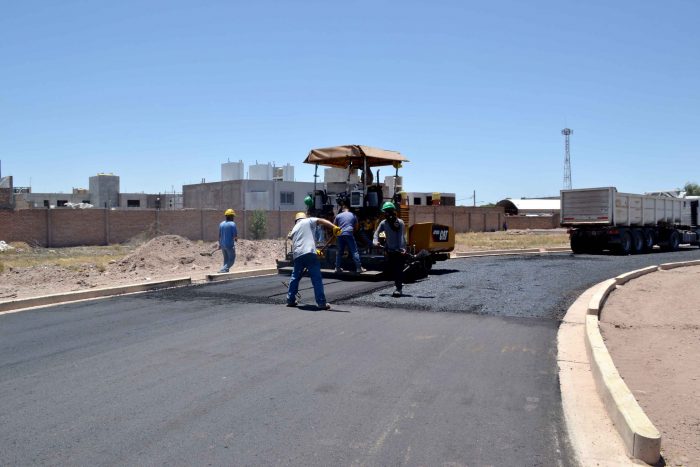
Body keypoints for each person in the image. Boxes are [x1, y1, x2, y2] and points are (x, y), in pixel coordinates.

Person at [286, 212, 340, 310]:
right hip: (310, 254)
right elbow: (321, 220)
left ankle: (290, 300)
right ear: (304, 218)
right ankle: (321, 303)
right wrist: (334, 227)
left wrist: (316, 251)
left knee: (295, 277)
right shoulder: (308, 221)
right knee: (316, 279)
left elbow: (301, 241)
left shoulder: (294, 229)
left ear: (296, 221)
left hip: (297, 255)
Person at [373, 201, 406, 297]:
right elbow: (377, 233)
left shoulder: (399, 222)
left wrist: (402, 248)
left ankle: (398, 288)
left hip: (398, 251)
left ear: (392, 212)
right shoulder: (384, 223)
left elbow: (401, 237)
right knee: (390, 270)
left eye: (386, 212)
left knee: (398, 270)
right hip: (389, 250)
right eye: (384, 212)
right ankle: (398, 283)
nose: (385, 214)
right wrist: (375, 241)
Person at [333, 200, 366, 274]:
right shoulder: (353, 215)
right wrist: (352, 232)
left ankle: (337, 268)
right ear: (349, 208)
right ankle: (358, 268)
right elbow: (357, 227)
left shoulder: (338, 216)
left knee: (339, 252)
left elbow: (334, 226)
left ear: (343, 208)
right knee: (354, 251)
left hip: (340, 234)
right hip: (349, 233)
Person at [217, 208, 238, 273]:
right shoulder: (232, 224)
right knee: (231, 259)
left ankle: (225, 272)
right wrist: (236, 240)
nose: (233, 217)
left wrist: (220, 244)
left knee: (226, 260)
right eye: (233, 216)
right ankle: (222, 270)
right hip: (229, 245)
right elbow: (235, 236)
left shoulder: (221, 224)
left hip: (223, 245)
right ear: (231, 216)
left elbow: (219, 235)